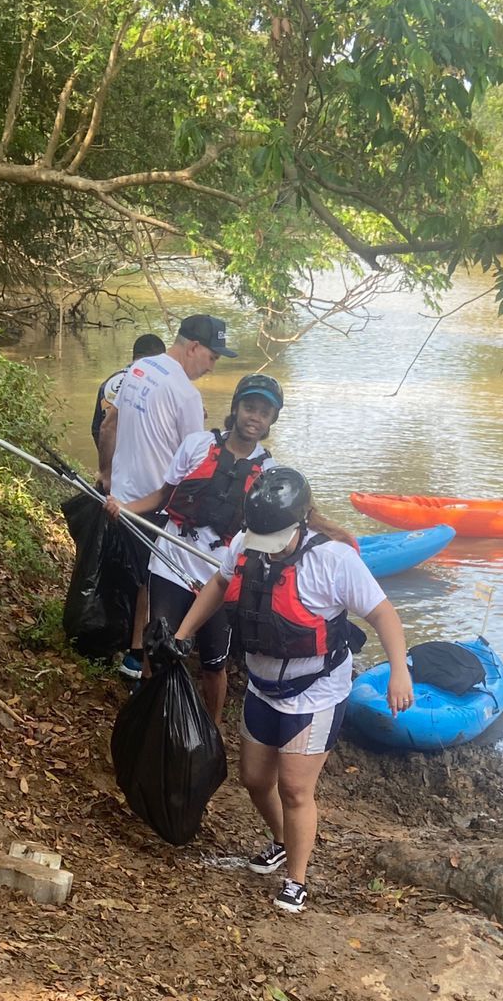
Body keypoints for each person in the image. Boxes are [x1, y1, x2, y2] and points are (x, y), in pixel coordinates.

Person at [174, 467, 413, 914]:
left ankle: (297, 880)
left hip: (316, 692)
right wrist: (183, 633)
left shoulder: (335, 561)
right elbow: (220, 584)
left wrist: (399, 670)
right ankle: (282, 841)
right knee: (254, 779)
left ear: (300, 522)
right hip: (264, 687)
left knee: (295, 789)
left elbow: (384, 616)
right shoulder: (247, 544)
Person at [105, 374, 284, 725]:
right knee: (158, 644)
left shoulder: (271, 473)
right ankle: (148, 719)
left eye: (264, 412)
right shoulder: (197, 445)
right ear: (235, 408)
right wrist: (124, 507)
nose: (254, 417)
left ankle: (211, 730)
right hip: (172, 558)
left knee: (214, 662)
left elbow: (274, 534)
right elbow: (162, 496)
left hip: (220, 573)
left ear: (271, 421)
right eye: (249, 407)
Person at [99, 313, 238, 680]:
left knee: (141, 577)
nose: (212, 366)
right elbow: (199, 463)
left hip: (123, 495)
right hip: (155, 504)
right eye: (212, 356)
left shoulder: (141, 368)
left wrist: (106, 474)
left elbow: (109, 424)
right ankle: (137, 659)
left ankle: (135, 655)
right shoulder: (186, 394)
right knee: (153, 581)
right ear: (193, 347)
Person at [91, 333, 165, 459]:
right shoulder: (159, 383)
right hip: (146, 464)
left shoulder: (109, 383)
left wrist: (106, 467)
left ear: (134, 356)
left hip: (114, 464)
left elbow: (97, 429)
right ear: (160, 359)